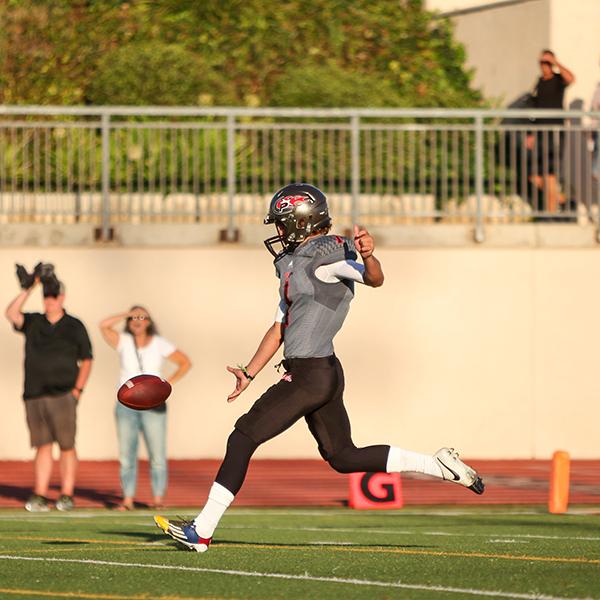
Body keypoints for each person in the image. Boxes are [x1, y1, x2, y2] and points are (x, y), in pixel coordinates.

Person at [154, 183, 484, 552]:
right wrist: (249, 373)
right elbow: (280, 325)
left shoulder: (329, 254)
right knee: (343, 457)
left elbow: (374, 278)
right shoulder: (293, 263)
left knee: (243, 437)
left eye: (282, 223)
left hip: (311, 374)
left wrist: (370, 256)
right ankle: (440, 466)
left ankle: (202, 530)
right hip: (321, 371)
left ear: (301, 221)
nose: (278, 232)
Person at [5, 270, 93, 512]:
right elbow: (11, 313)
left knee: (66, 445)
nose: (49, 299)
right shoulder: (34, 322)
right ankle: (40, 494)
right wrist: (30, 287)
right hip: (35, 394)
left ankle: (66, 494)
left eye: (54, 295)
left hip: (63, 394)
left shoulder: (74, 326)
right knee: (42, 446)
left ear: (62, 297)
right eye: (46, 295)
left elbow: (87, 359)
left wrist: (77, 391)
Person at [100, 306, 191, 510]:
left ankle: (158, 499)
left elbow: (185, 362)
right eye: (134, 317)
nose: (137, 321)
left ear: (149, 321)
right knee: (126, 455)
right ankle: (127, 499)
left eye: (142, 317)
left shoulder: (159, 343)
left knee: (157, 454)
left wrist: (165, 385)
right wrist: (126, 313)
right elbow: (103, 326)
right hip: (127, 404)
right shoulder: (123, 341)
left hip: (153, 404)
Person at [526, 50, 575, 215]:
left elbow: (571, 78)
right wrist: (530, 134)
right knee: (534, 175)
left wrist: (556, 63)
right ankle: (561, 200)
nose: (544, 66)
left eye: (547, 63)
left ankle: (550, 213)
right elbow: (534, 108)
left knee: (550, 174)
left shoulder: (558, 80)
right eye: (542, 62)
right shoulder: (539, 82)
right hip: (539, 132)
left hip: (554, 132)